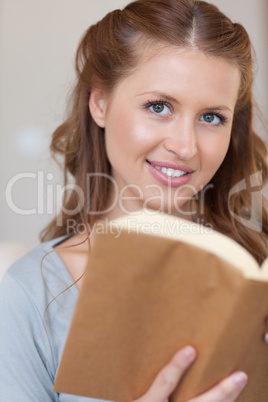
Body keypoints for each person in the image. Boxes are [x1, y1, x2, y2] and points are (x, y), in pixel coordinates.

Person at [0, 0, 268, 401]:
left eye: (211, 117)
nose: (185, 147)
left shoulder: (255, 279)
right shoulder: (29, 294)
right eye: (158, 107)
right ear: (100, 103)